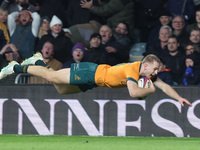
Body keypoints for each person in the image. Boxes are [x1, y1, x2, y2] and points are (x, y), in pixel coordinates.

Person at [0, 53, 192, 107]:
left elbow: (164, 86)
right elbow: (134, 93)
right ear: (146, 65)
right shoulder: (134, 70)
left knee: (61, 90)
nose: (155, 73)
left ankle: (38, 61)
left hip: (93, 81)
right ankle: (15, 67)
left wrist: (179, 98)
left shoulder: (145, 74)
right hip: (91, 72)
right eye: (155, 69)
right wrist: (150, 90)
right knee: (52, 76)